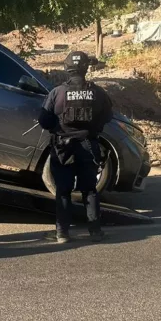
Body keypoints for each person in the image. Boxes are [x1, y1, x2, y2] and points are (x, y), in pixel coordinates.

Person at [38, 51, 113, 244]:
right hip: (89, 146)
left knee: (63, 190)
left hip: (63, 148)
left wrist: (59, 128)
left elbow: (44, 120)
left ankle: (62, 233)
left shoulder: (57, 92)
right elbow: (107, 117)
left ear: (67, 69)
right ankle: (95, 231)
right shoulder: (98, 92)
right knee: (89, 190)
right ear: (86, 68)